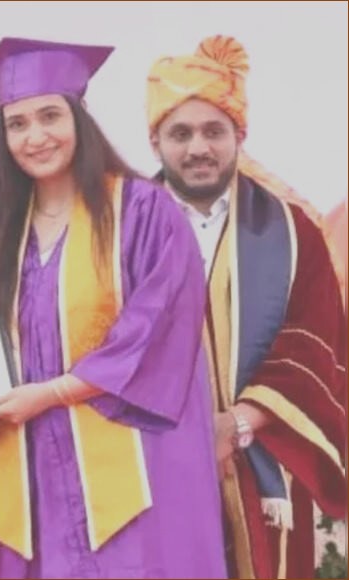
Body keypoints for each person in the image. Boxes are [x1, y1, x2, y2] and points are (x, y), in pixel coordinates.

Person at [0, 37, 227, 578]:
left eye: (50, 116)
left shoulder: (142, 212)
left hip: (138, 484)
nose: (35, 137)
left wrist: (52, 393)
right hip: (37, 489)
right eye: (17, 124)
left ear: (78, 117)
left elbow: (156, 329)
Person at [147, 35, 348, 579]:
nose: (198, 148)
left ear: (239, 134)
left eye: (214, 131)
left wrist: (236, 423)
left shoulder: (294, 230)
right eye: (180, 133)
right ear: (155, 141)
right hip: (149, 466)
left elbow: (317, 341)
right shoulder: (119, 230)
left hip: (263, 457)